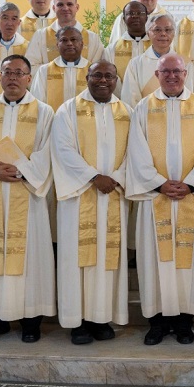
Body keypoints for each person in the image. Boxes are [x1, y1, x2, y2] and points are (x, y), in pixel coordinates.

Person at [0, 54, 56, 343]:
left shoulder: (44, 112)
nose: (13, 78)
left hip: (27, 197)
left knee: (30, 259)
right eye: (7, 73)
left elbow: (47, 152)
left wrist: (22, 170)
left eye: (19, 73)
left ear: (30, 78)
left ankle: (31, 320)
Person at [127, 54, 194, 345]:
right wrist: (158, 184)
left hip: (190, 198)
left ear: (186, 73)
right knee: (156, 261)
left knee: (187, 263)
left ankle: (184, 322)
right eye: (166, 71)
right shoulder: (144, 107)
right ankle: (157, 322)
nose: (172, 76)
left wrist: (191, 185)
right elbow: (136, 150)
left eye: (177, 71)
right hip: (155, 199)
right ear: (157, 73)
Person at [51, 61, 132, 345]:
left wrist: (117, 178)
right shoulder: (67, 110)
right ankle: (78, 322)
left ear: (116, 80)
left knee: (106, 258)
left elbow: (135, 152)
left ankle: (101, 318)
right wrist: (94, 177)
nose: (102, 80)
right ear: (86, 77)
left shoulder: (127, 112)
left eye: (109, 75)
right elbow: (62, 149)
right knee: (77, 259)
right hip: (79, 195)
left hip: (113, 195)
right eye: (97, 75)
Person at [122, 14, 194, 107]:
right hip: (145, 117)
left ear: (174, 34)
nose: (163, 34)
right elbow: (130, 99)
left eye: (168, 30)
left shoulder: (185, 63)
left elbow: (191, 97)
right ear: (148, 33)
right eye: (157, 30)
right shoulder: (135, 64)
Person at [26, 0, 103, 70]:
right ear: (54, 8)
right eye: (60, 5)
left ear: (77, 7)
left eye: (69, 4)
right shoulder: (40, 36)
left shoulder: (93, 38)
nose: (65, 8)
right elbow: (31, 66)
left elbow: (98, 69)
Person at [30, 26, 91, 112]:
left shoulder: (92, 71)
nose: (69, 43)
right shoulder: (44, 70)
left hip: (83, 122)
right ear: (57, 45)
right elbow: (37, 103)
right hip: (53, 122)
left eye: (73, 40)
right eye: (64, 40)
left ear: (81, 44)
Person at [105, 1, 151, 76]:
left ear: (146, 18)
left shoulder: (156, 47)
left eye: (139, 13)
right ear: (124, 19)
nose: (135, 16)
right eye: (130, 13)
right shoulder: (111, 50)